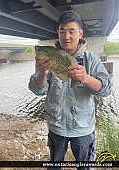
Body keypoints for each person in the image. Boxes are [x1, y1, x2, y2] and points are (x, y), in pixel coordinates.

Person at [28, 10, 111, 170]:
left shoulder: (91, 59)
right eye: (62, 32)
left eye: (71, 32)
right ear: (58, 33)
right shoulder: (48, 56)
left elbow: (106, 89)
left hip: (83, 128)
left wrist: (86, 78)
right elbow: (38, 90)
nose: (66, 37)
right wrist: (41, 73)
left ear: (80, 33)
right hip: (56, 126)